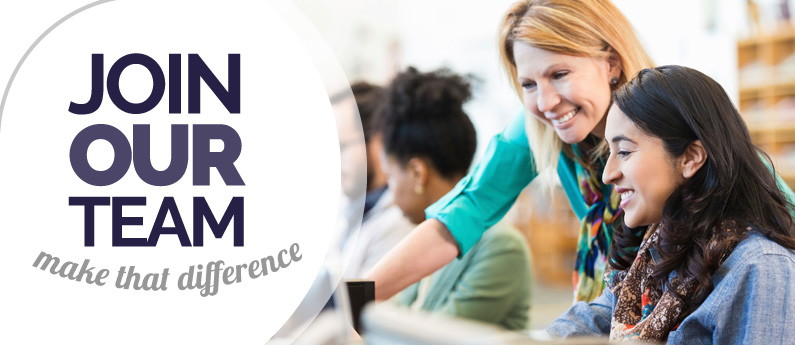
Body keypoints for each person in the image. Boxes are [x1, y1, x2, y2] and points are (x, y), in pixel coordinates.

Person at [368, 0, 657, 303]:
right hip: (606, 306)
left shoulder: (668, 122)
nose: (545, 103)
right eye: (529, 84)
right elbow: (469, 206)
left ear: (611, 63)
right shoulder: (539, 126)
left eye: (559, 74)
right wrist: (357, 295)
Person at [547, 65, 795, 343]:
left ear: (691, 157)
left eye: (625, 152)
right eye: (610, 153)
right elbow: (592, 319)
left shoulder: (761, 267)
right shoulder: (657, 249)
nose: (607, 175)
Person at [378, 67, 532, 330]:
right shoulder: (425, 245)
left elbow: (431, 339)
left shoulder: (502, 246)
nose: (390, 197)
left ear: (418, 173)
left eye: (390, 178)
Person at [337, 82, 414, 279]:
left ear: (379, 143)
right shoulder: (349, 209)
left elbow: (361, 307)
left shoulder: (399, 222)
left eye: (341, 146)